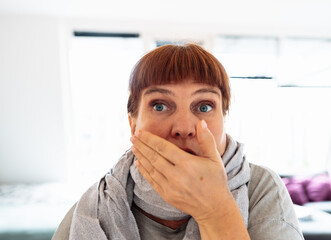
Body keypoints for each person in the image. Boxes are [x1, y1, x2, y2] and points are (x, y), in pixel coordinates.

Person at [53, 43, 304, 240]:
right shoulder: (95, 209)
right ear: (133, 122)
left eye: (204, 106)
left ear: (223, 119)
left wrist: (216, 210)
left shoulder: (261, 188)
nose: (184, 128)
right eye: (160, 105)